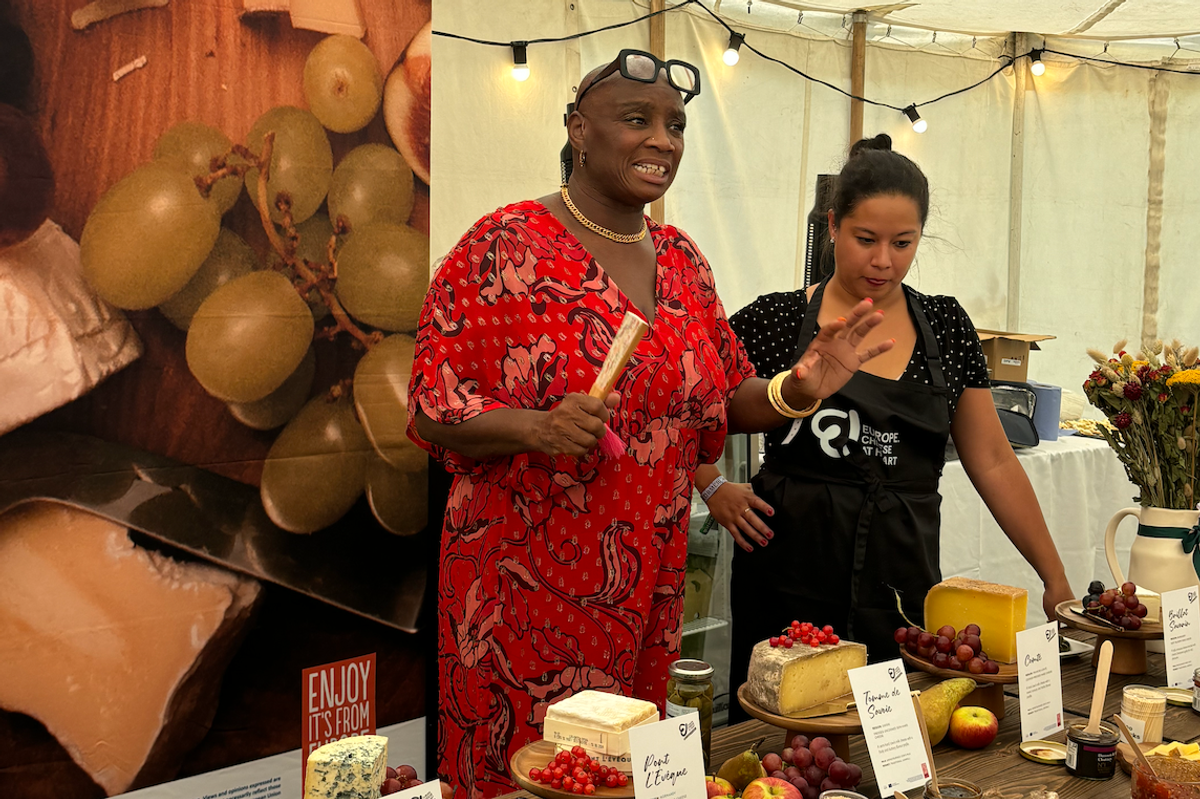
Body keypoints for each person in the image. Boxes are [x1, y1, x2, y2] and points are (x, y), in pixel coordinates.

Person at [407, 52, 894, 798]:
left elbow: (724, 402)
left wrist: (800, 388)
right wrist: (537, 427)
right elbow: (433, 408)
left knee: (620, 772)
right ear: (579, 129)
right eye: (637, 120)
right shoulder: (505, 246)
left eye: (675, 125)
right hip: (524, 593)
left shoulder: (681, 261)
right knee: (524, 775)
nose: (663, 140)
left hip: (648, 589)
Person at [702, 134, 1075, 722]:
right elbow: (686, 407)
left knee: (890, 742)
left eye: (903, 244)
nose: (883, 261)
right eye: (865, 239)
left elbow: (995, 462)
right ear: (832, 226)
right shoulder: (775, 319)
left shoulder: (947, 328)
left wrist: (1055, 578)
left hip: (898, 574)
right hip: (788, 570)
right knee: (778, 749)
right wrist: (710, 482)